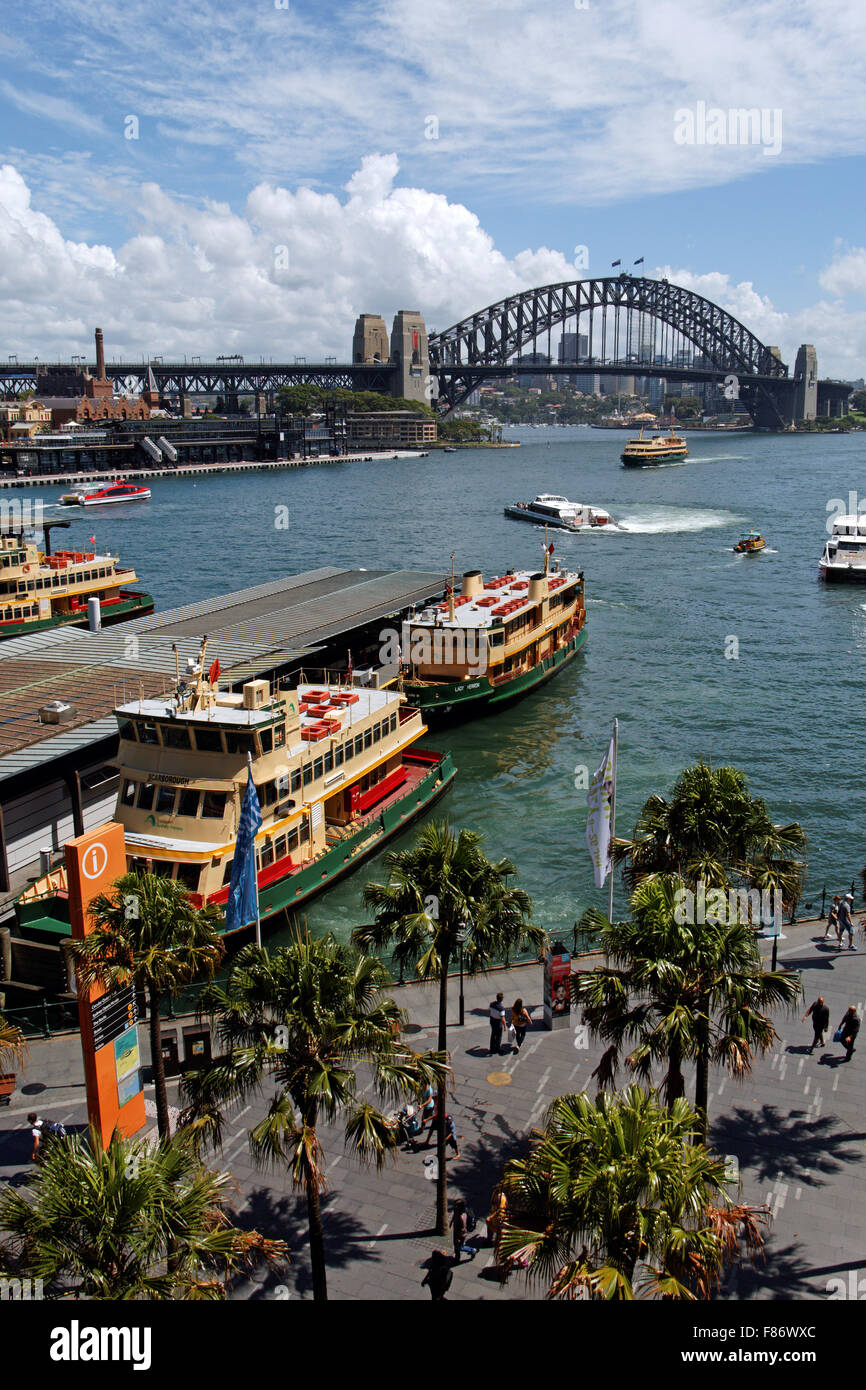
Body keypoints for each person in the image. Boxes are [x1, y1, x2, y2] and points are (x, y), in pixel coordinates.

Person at [449, 1198, 475, 1263]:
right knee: (456, 1245)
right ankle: (457, 1258)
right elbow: (454, 1216)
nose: (454, 1206)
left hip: (460, 1234)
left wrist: (460, 1236)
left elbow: (463, 1228)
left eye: (456, 1205)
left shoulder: (462, 1217)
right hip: (456, 1232)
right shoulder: (457, 1211)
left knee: (460, 1247)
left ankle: (471, 1250)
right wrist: (451, 1222)